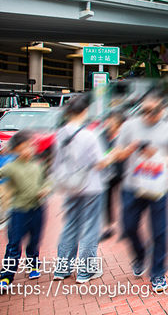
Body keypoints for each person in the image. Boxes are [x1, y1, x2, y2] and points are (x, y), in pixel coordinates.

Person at [115, 92, 168, 292]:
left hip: (158, 187)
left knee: (160, 231)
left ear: (162, 110)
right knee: (129, 226)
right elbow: (117, 153)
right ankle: (140, 255)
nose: (150, 115)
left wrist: (159, 156)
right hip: (132, 185)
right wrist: (132, 149)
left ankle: (158, 272)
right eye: (145, 111)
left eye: (154, 111)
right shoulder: (129, 127)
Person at [51, 94, 110, 284]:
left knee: (70, 224)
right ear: (85, 111)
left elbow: (56, 162)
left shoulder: (60, 133)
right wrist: (113, 156)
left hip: (70, 185)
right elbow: (100, 163)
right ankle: (85, 272)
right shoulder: (89, 135)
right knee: (90, 228)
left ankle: (62, 269)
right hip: (91, 186)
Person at [0, 130, 50, 291]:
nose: (30, 149)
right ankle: (7, 275)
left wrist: (45, 189)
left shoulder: (38, 165)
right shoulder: (10, 167)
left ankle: (33, 264)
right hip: (18, 211)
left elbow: (47, 181)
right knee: (14, 243)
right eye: (25, 147)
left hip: (38, 209)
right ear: (17, 149)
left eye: (32, 146)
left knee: (35, 239)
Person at [100, 110, 126, 241]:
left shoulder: (124, 136)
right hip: (107, 174)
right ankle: (109, 227)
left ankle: (125, 227)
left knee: (125, 200)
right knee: (107, 201)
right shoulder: (103, 135)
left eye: (112, 121)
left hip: (123, 172)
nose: (109, 123)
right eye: (108, 120)